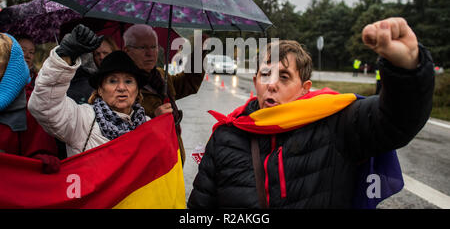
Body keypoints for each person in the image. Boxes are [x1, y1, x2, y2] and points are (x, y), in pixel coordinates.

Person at [188, 17, 435, 208]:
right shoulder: (225, 137)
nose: (272, 84)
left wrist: (407, 69)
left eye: (284, 77)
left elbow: (395, 121)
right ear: (255, 82)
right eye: (266, 75)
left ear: (305, 88)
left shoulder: (335, 122)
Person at [28, 25, 151, 156]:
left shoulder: (148, 126)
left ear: (137, 90)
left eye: (128, 81)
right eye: (112, 81)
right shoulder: (82, 121)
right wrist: (65, 55)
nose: (121, 88)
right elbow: (44, 106)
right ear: (100, 89)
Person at [123, 24, 206, 165]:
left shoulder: (161, 75)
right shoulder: (122, 85)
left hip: (173, 159)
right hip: (147, 167)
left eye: (154, 47)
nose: (150, 53)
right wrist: (154, 120)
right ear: (127, 50)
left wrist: (198, 53)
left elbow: (188, 83)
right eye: (143, 48)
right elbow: (121, 131)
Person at [0, 33, 60, 173]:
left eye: (31, 52)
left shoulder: (30, 104)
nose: (27, 55)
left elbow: (43, 159)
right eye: (23, 50)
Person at [67, 35, 118, 105]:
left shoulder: (126, 74)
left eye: (105, 53)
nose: (101, 57)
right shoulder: (87, 80)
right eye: (97, 54)